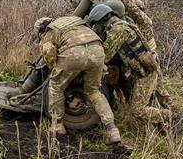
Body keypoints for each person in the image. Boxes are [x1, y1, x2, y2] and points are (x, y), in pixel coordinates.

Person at [88, 4, 183, 135]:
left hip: (146, 73)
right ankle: (164, 126)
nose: (95, 27)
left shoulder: (119, 30)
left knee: (137, 110)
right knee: (159, 97)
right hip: (142, 70)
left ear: (103, 19)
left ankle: (173, 117)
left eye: (96, 24)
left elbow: (106, 53)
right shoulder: (120, 25)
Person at [34, 16, 121, 144]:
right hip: (97, 50)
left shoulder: (50, 31)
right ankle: (112, 130)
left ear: (41, 30)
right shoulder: (73, 20)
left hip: (74, 53)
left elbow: (50, 58)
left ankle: (58, 126)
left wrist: (59, 71)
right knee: (94, 92)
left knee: (56, 86)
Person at [115, 0, 173, 110]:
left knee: (159, 91)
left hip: (150, 62)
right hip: (143, 63)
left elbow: (132, 9)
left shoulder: (144, 23)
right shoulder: (131, 25)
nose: (128, 13)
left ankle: (171, 116)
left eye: (131, 11)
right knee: (153, 92)